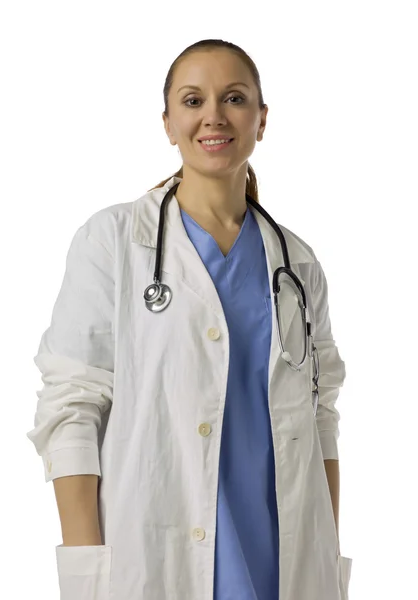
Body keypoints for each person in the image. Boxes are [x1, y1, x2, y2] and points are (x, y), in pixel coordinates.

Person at [26, 38, 352, 600]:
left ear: (262, 119)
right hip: (153, 561)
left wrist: (323, 550)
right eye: (193, 100)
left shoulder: (297, 264)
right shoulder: (114, 242)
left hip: (285, 566)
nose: (213, 117)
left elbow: (321, 420)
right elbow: (72, 408)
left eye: (234, 98)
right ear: (168, 122)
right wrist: (89, 569)